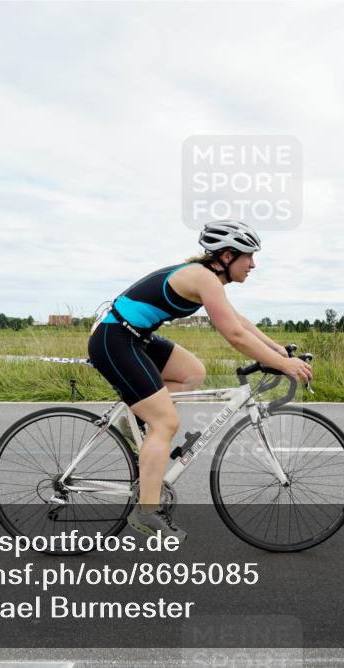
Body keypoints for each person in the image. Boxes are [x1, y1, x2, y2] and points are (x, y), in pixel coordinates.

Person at [86, 220, 313, 541]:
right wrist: (283, 365)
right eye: (249, 256)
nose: (253, 264)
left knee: (192, 371)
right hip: (114, 339)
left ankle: (134, 421)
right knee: (165, 422)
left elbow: (239, 322)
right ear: (228, 256)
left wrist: (276, 350)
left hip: (135, 337)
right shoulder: (203, 277)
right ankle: (146, 511)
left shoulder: (208, 279)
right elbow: (234, 335)